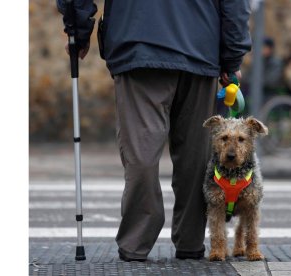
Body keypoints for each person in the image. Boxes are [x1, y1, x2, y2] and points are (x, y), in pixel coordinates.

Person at [57, 0, 252, 261]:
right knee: (195, 156)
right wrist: (232, 55)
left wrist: (78, 31)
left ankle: (136, 241)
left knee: (141, 151)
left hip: (137, 43)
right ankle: (190, 240)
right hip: (200, 46)